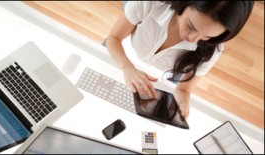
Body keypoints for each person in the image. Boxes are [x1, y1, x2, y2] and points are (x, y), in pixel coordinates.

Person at [105, 1, 254, 119]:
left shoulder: (212, 50)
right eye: (191, 25)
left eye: (208, 36)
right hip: (122, 56)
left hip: (159, 76)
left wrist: (182, 103)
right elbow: (113, 38)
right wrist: (127, 67)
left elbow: (184, 90)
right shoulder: (150, 3)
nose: (193, 39)